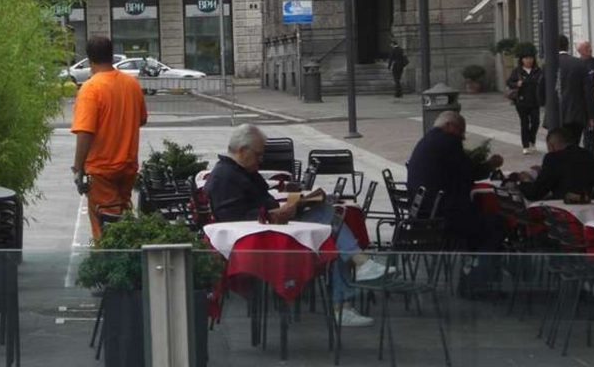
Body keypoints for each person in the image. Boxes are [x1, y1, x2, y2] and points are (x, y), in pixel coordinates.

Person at [204, 124, 387, 327]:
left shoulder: (242, 171)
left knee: (328, 222)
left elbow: (262, 201)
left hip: (270, 230)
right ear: (242, 151)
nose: (260, 160)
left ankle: (350, 285)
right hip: (262, 239)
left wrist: (291, 206)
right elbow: (234, 219)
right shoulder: (226, 176)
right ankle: (353, 278)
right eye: (258, 154)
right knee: (330, 227)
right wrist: (274, 214)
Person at [71, 36, 148, 239]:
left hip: (101, 168)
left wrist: (78, 167)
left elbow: (85, 132)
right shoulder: (131, 84)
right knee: (124, 216)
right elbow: (141, 119)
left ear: (89, 59)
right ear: (112, 55)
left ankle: (109, 263)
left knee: (107, 225)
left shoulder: (91, 88)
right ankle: (127, 258)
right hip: (128, 166)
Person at [407, 111, 504, 251]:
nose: (462, 136)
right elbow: (468, 172)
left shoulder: (428, 140)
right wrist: (489, 165)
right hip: (441, 214)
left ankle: (471, 261)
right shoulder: (448, 140)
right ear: (449, 125)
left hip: (423, 210)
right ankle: (482, 269)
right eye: (461, 131)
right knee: (496, 224)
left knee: (480, 222)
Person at [519, 128, 594, 201]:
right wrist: (543, 171)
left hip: (567, 210)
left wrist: (526, 180)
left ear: (551, 146)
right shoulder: (591, 156)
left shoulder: (553, 158)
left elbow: (534, 193)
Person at [539, 35, 594, 145]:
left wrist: (545, 104)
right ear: (568, 46)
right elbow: (588, 92)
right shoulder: (580, 63)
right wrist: (590, 115)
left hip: (554, 113)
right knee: (574, 144)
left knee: (557, 145)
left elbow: (541, 88)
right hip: (575, 113)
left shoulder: (548, 65)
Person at [506, 43, 541, 155]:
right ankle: (526, 145)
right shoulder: (517, 71)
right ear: (522, 60)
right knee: (524, 123)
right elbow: (509, 82)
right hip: (521, 102)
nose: (528, 60)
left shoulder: (537, 70)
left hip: (535, 101)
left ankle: (532, 140)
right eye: (526, 58)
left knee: (536, 122)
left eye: (530, 58)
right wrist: (517, 83)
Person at [578, 41, 594, 156]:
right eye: (587, 47)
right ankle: (593, 160)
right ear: (580, 51)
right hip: (584, 106)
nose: (590, 49)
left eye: (590, 46)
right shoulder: (577, 65)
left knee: (592, 135)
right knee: (589, 137)